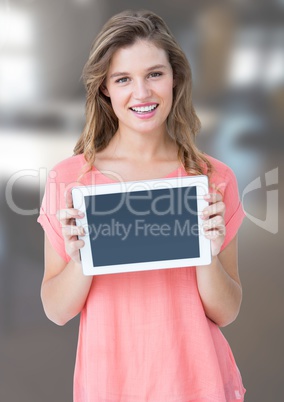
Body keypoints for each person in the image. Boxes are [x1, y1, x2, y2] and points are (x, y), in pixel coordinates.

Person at [38, 9, 246, 402]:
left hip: (197, 385)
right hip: (110, 386)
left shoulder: (212, 179)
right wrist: (84, 255)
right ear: (105, 89)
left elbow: (227, 311)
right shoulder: (70, 182)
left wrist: (208, 253)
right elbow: (57, 309)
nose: (142, 93)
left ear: (175, 78)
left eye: (155, 74)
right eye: (123, 79)